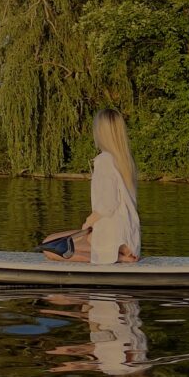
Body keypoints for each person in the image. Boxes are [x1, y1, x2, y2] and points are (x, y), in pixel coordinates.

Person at [42, 109, 141, 264]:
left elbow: (108, 205)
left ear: (100, 132)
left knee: (48, 246)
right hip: (130, 238)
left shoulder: (105, 160)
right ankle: (119, 254)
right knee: (56, 242)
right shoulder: (125, 162)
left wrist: (89, 222)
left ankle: (117, 257)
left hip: (112, 236)